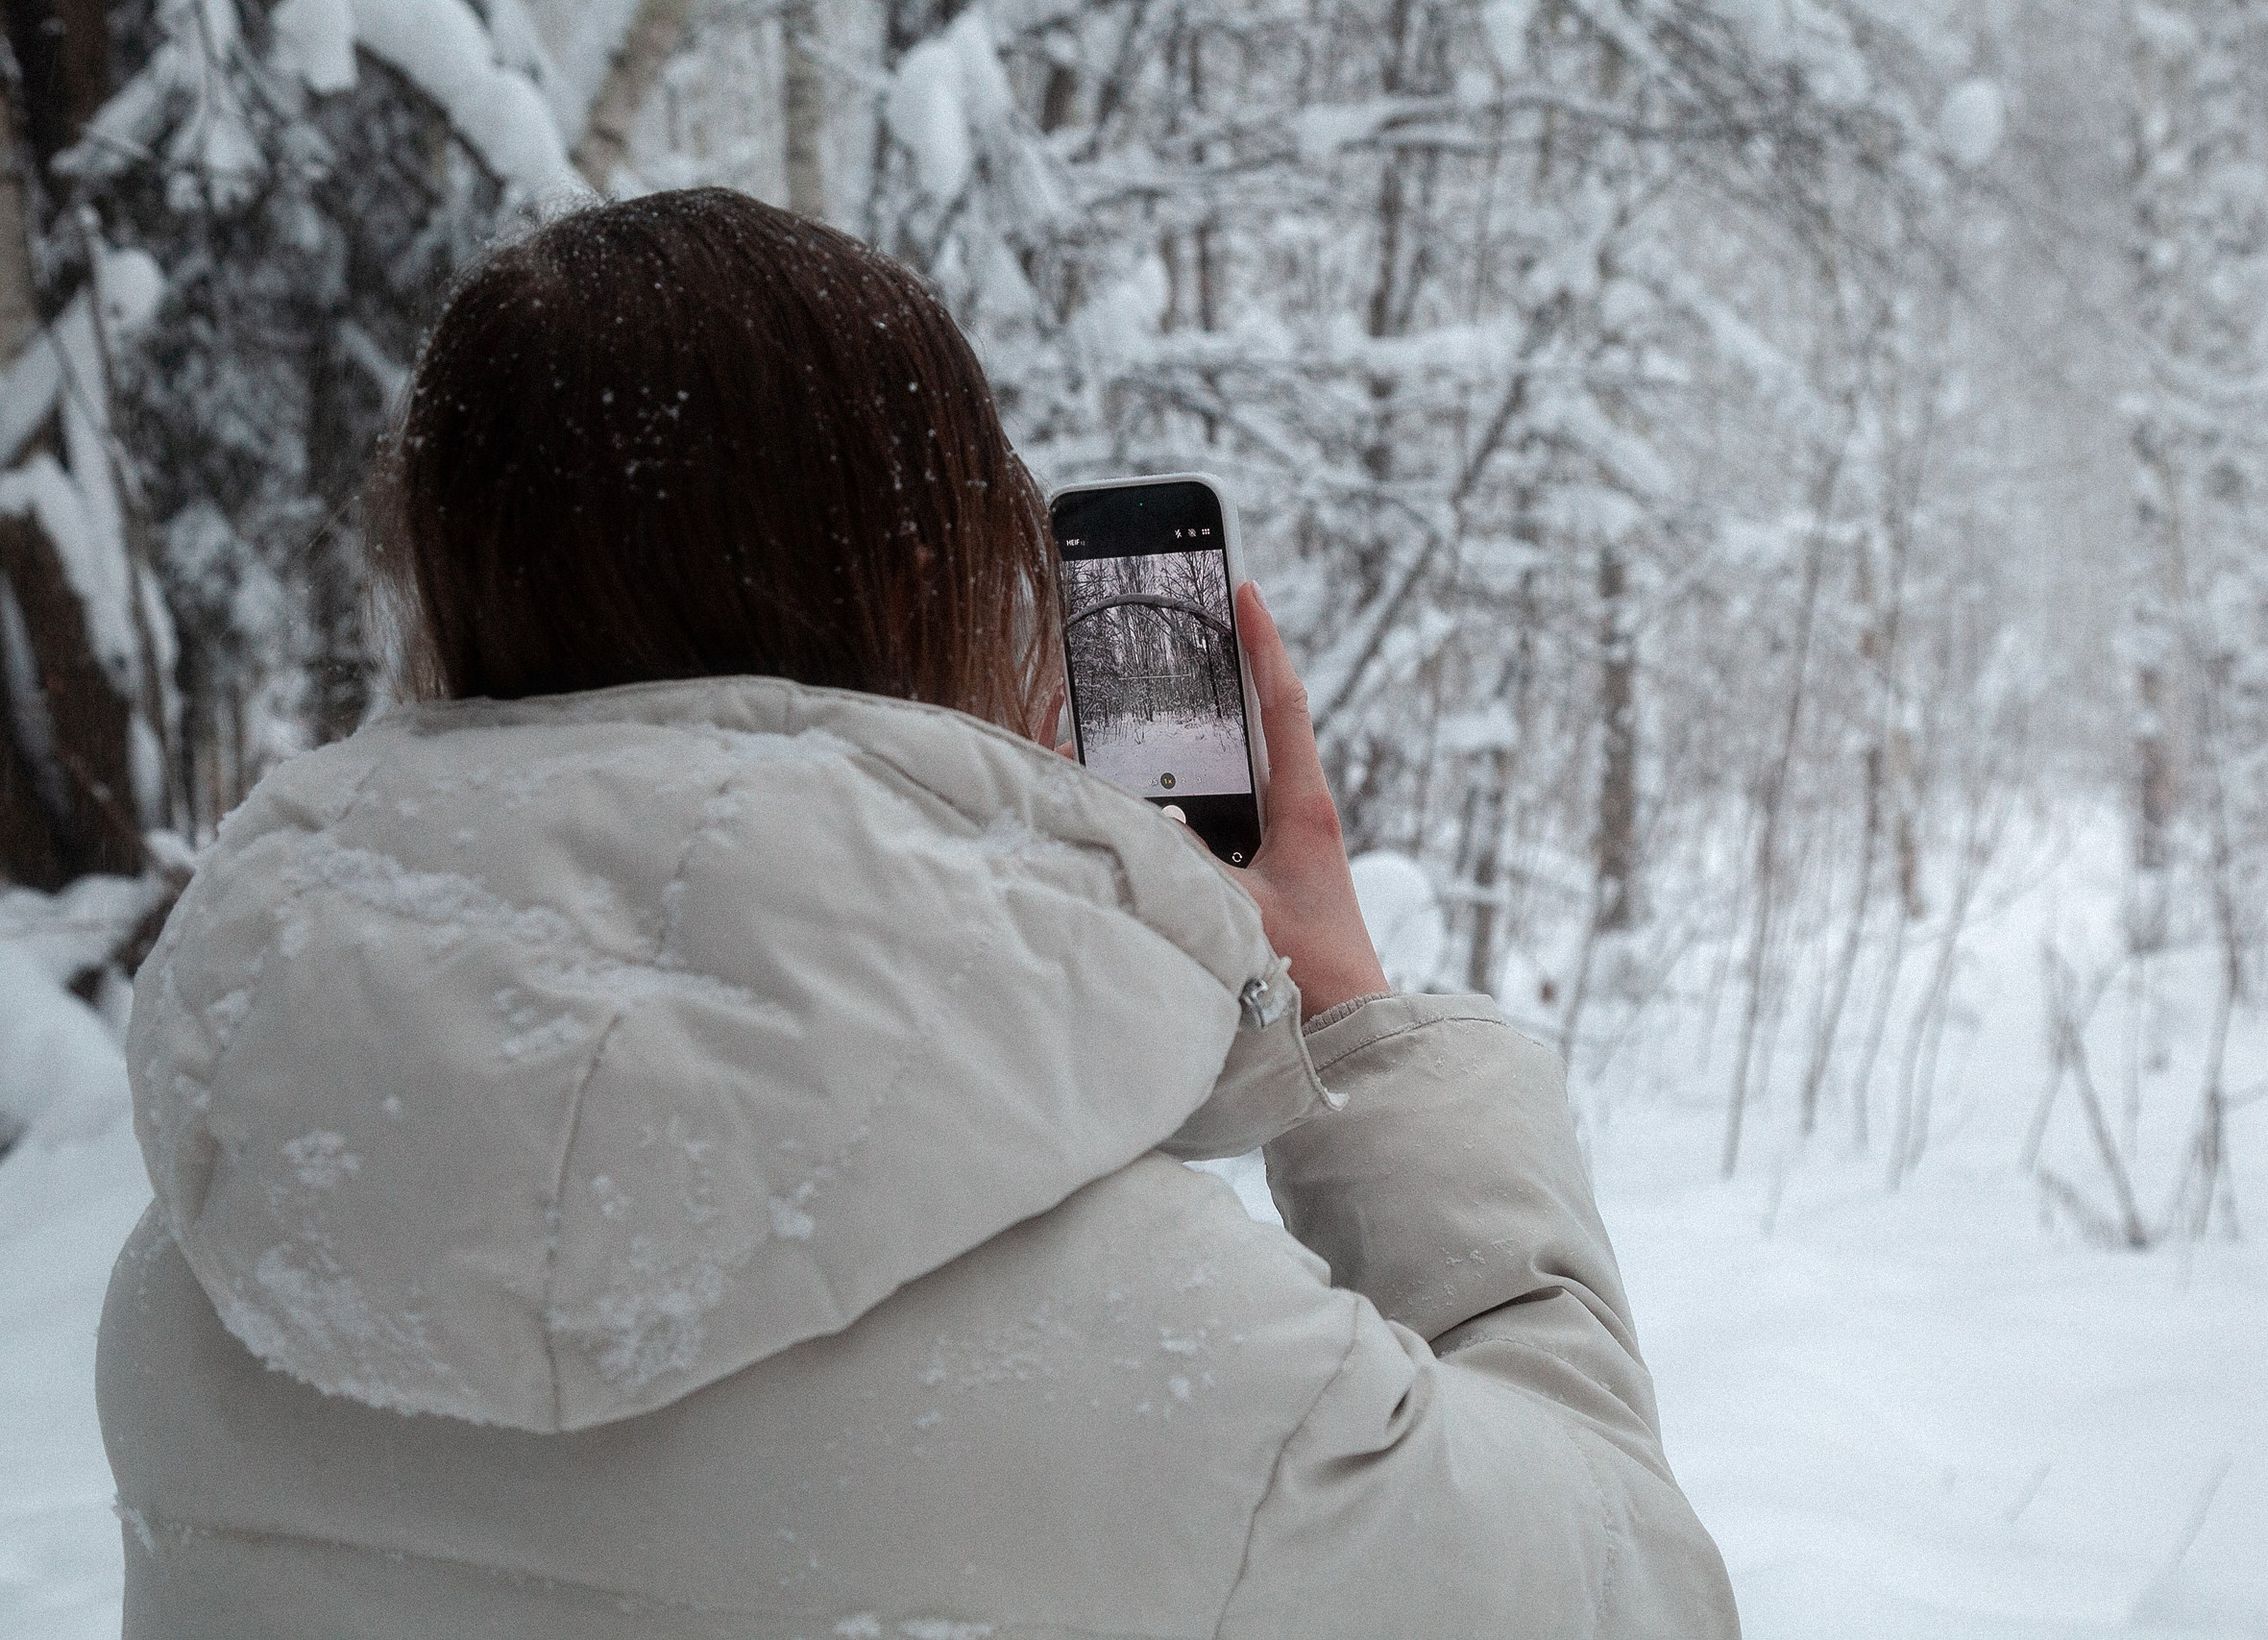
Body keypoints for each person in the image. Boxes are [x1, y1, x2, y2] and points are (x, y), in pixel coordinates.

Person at [96, 187, 1739, 1640]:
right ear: (942, 593)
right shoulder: (1196, 1380)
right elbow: (1638, 1592)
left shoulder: (222, 1276)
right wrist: (1356, 1030)